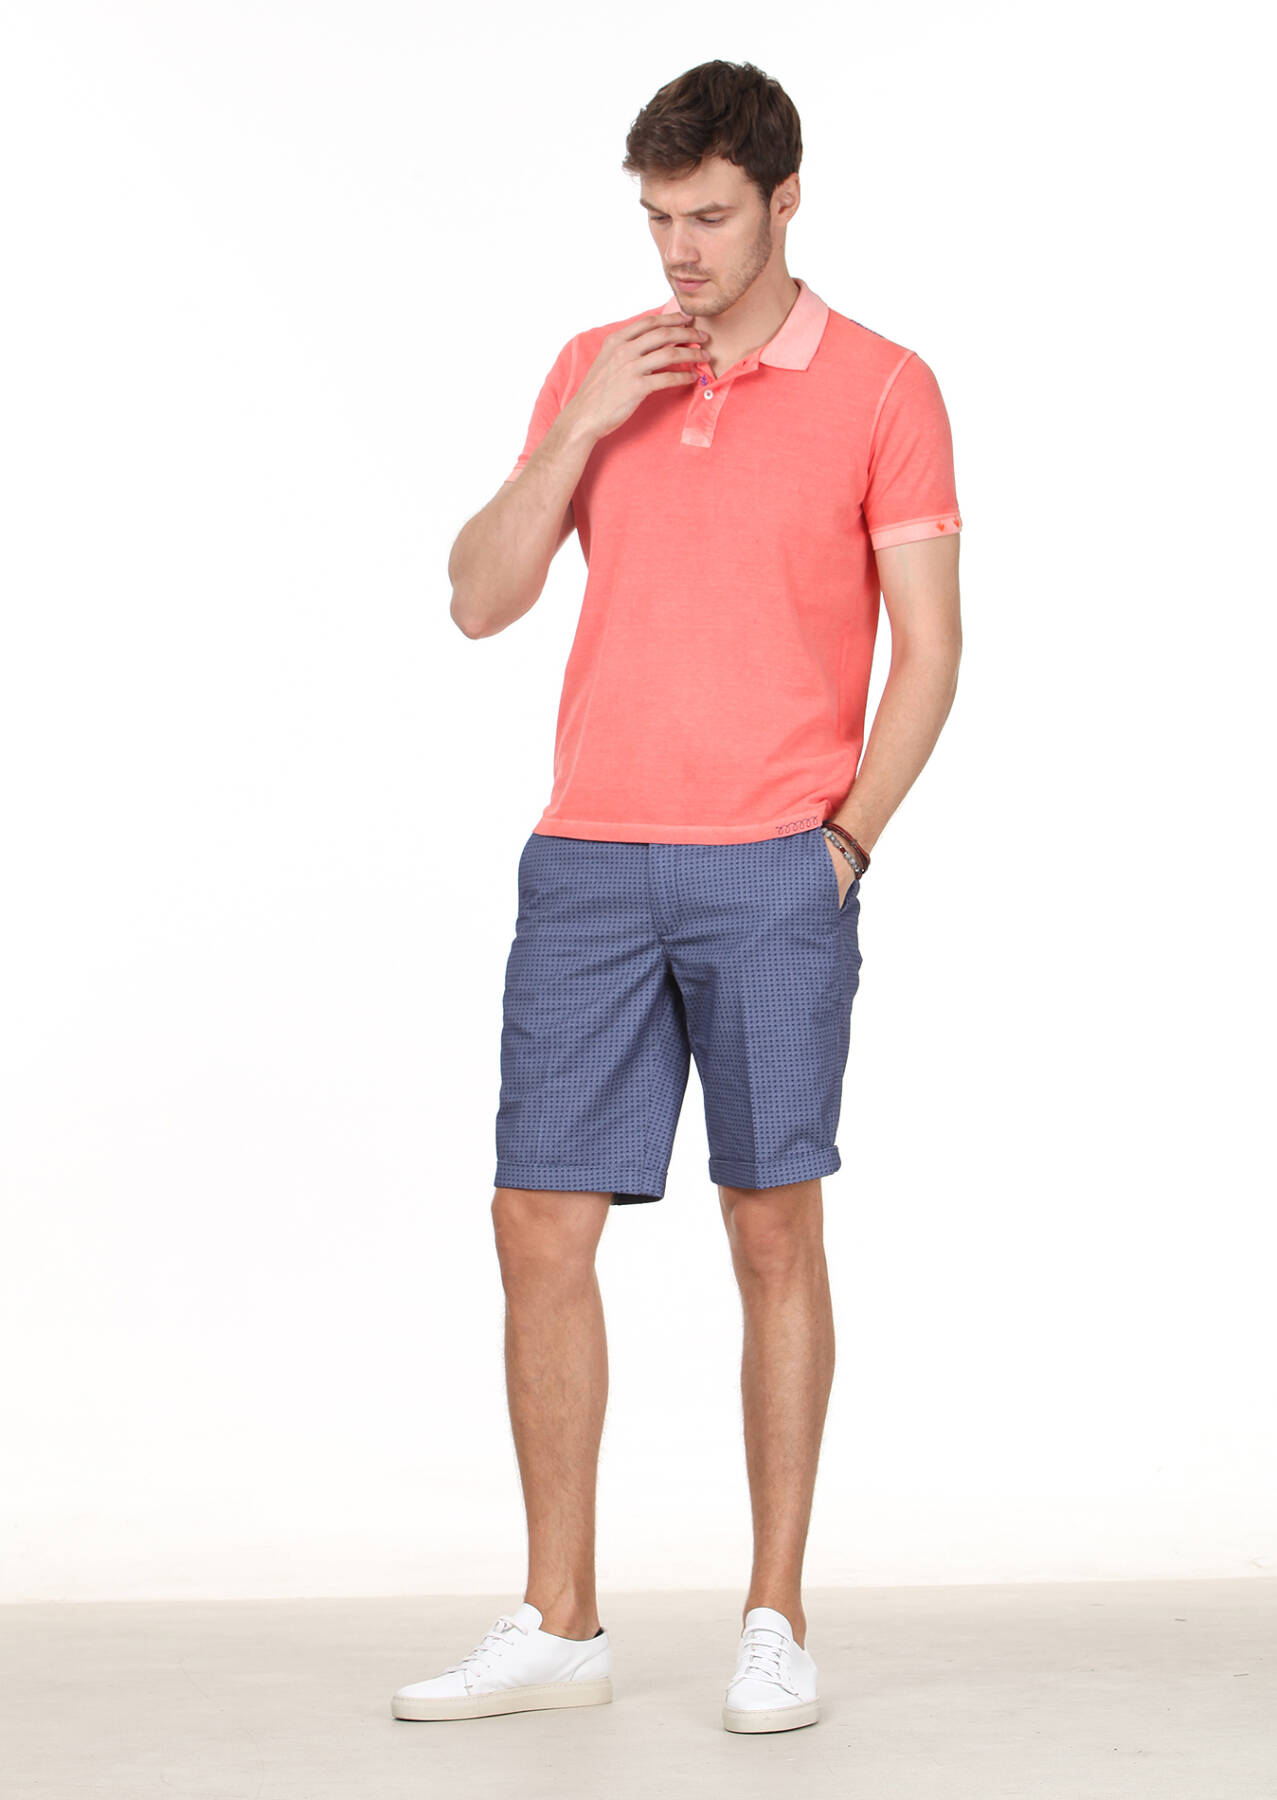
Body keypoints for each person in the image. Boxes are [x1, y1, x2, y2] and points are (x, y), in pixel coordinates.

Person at [393, 58, 963, 1735]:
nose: (680, 253)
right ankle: (558, 1618)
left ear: (784, 200)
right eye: (657, 220)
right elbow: (477, 600)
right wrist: (582, 422)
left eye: (709, 217)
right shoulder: (597, 363)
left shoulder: (884, 386)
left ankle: (774, 1615)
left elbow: (929, 651)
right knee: (534, 1221)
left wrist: (841, 847)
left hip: (774, 864)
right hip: (588, 856)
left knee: (771, 1227)